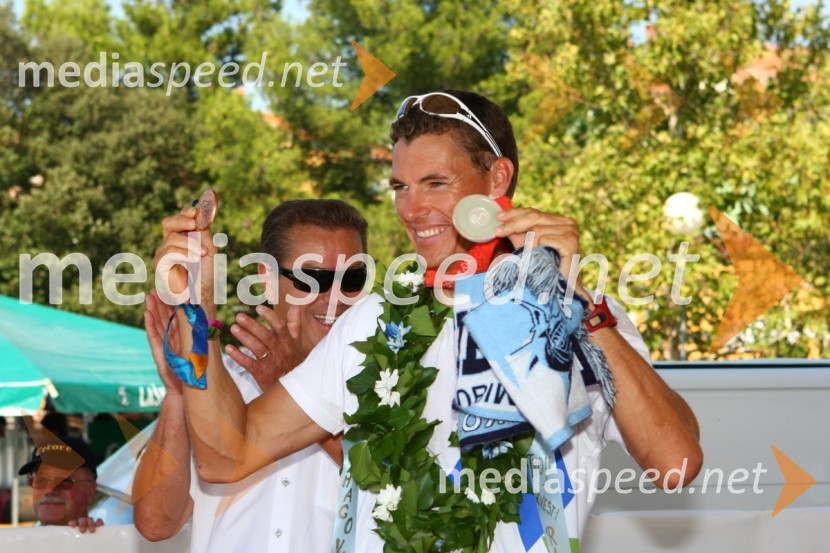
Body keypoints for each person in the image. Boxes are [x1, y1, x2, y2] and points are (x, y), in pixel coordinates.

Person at [163, 90, 703, 551]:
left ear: (497, 179)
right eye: (401, 186)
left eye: (436, 183)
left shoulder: (580, 312)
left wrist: (579, 302)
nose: (411, 208)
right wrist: (197, 309)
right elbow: (225, 455)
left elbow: (675, 461)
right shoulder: (372, 318)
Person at [134, 199, 368, 552]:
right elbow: (156, 522)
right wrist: (180, 393)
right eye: (312, 279)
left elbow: (395, 497)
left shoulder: (387, 384)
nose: (334, 299)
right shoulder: (216, 380)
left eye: (352, 278)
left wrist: (288, 380)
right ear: (267, 279)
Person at [18, 435, 103, 533]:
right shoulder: (15, 544)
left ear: (90, 491)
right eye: (41, 480)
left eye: (64, 481)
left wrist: (94, 539)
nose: (50, 490)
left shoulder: (111, 542)